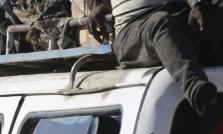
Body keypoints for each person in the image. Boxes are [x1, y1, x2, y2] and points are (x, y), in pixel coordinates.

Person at [88, 0, 223, 119]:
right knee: (160, 22)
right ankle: (197, 90)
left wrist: (197, 5)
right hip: (133, 29)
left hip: (175, 17)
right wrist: (98, 6)